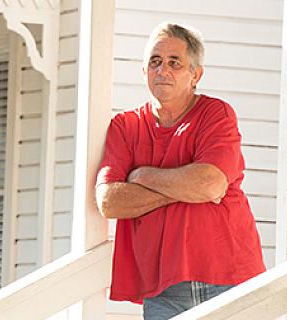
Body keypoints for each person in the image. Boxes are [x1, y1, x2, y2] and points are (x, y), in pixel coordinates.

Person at [95, 22, 266, 320]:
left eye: (175, 62)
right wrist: (184, 189)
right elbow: (110, 202)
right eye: (155, 62)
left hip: (230, 278)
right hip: (164, 290)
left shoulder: (216, 114)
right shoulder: (125, 126)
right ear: (144, 70)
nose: (163, 70)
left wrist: (142, 176)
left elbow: (211, 185)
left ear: (195, 74)